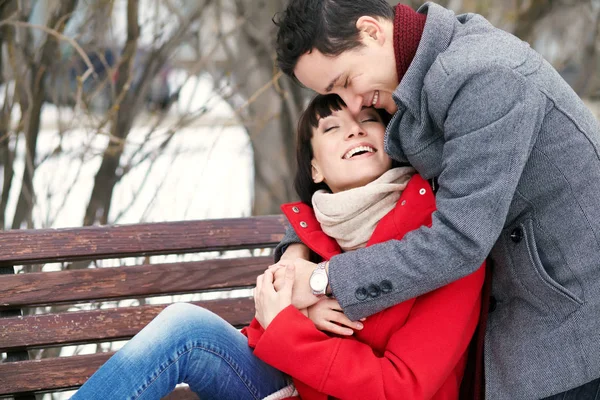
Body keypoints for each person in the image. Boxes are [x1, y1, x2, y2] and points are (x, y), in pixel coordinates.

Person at [271, 1, 600, 399]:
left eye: (343, 82)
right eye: (332, 93)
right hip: (509, 316)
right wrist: (295, 256)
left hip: (570, 322)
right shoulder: (399, 80)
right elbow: (339, 188)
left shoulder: (484, 75)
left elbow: (459, 240)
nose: (354, 105)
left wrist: (326, 281)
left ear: (371, 31)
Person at [71, 94, 484, 399]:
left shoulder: (440, 237)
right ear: (315, 168)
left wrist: (295, 320)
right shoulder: (313, 237)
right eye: (332, 127)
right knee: (186, 327)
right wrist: (296, 304)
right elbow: (261, 335)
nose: (355, 129)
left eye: (369, 119)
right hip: (291, 388)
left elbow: (402, 388)